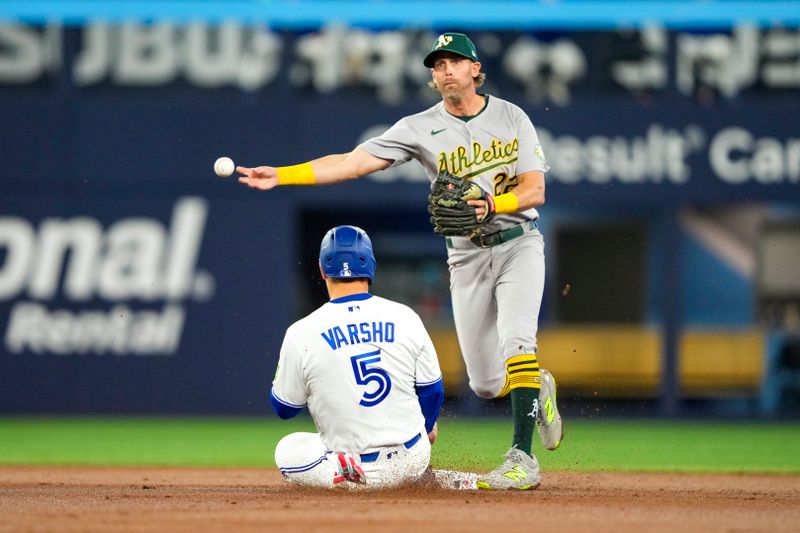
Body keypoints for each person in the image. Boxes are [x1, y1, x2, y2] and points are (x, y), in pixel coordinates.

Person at [241, 32, 562, 490]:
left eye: (455, 61)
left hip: (518, 242)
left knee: (517, 344)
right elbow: (352, 163)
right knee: (487, 384)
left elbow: (535, 191)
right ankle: (538, 387)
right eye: (438, 64)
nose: (445, 69)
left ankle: (522, 459)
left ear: (475, 70)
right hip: (466, 255)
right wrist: (284, 176)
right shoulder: (418, 127)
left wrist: (492, 204)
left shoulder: (512, 117)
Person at [271, 225, 444, 489]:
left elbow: (284, 409)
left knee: (287, 448)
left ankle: (347, 472)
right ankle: (411, 471)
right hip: (413, 459)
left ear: (321, 269)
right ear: (371, 265)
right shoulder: (405, 316)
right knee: (419, 433)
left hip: (360, 467)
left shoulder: (301, 332)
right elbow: (433, 391)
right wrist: (427, 426)